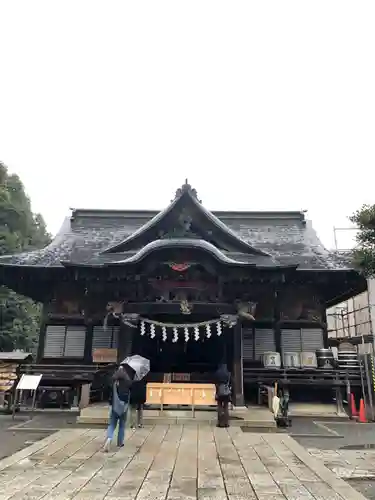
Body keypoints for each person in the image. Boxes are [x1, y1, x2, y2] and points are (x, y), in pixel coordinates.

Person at [103, 364, 133, 452]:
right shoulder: (127, 382)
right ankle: (120, 442)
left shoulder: (113, 382)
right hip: (124, 407)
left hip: (115, 406)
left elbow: (108, 391)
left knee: (112, 424)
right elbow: (131, 387)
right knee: (122, 425)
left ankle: (109, 438)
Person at [214, 363, 231, 428]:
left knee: (220, 407)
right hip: (226, 392)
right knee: (226, 407)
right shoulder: (228, 373)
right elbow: (231, 383)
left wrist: (216, 392)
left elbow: (215, 383)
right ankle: (226, 423)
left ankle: (220, 423)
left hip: (219, 391)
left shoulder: (217, 373)